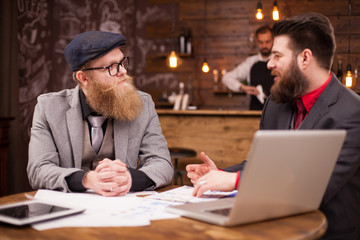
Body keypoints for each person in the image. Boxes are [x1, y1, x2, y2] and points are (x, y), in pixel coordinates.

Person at [186, 12, 360, 239]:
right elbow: (264, 165)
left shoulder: (352, 112)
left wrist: (236, 181)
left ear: (305, 58)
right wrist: (219, 174)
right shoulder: (276, 104)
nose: (269, 64)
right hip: (272, 227)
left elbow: (310, 189)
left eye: (277, 55)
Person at [27, 31, 173, 197]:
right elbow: (38, 170)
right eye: (111, 67)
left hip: (123, 210)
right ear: (84, 78)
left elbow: (162, 163)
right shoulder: (48, 108)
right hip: (69, 212)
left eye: (123, 62)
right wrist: (87, 179)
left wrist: (129, 178)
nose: (123, 71)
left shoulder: (144, 104)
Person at [222, 25, 274, 110]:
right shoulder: (250, 62)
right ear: (257, 42)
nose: (264, 45)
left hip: (276, 112)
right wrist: (243, 87)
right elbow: (226, 78)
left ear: (273, 40)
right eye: (261, 42)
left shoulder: (279, 61)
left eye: (267, 42)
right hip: (255, 111)